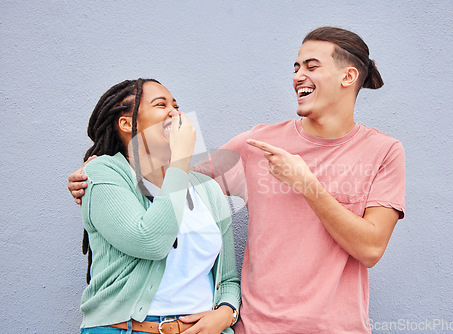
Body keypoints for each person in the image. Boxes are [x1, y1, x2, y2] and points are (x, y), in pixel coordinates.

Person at [69, 27, 405, 333]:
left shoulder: (383, 151)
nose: (297, 76)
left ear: (349, 76)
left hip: (337, 328)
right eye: (296, 67)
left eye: (311, 66)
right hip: (256, 328)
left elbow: (371, 248)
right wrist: (98, 174)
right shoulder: (255, 145)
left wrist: (306, 184)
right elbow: (171, 188)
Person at [76, 78, 240, 334]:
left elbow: (228, 278)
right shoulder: (104, 173)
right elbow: (150, 242)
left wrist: (226, 312)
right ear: (127, 123)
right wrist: (180, 158)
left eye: (176, 105)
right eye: (161, 105)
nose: (175, 113)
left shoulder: (208, 190)